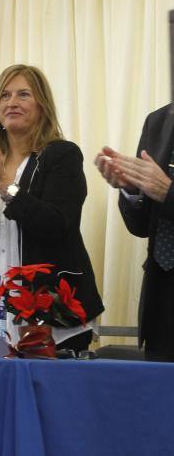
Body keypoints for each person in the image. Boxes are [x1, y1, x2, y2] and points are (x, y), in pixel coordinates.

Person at [0, 64, 104, 351]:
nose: (12, 102)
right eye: (5, 95)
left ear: (42, 106)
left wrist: (3, 182)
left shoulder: (61, 155)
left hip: (51, 316)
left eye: (23, 95)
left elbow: (55, 225)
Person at [95, 103, 174, 360]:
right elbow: (142, 227)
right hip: (162, 301)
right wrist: (130, 189)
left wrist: (168, 193)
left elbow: (165, 193)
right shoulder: (158, 120)